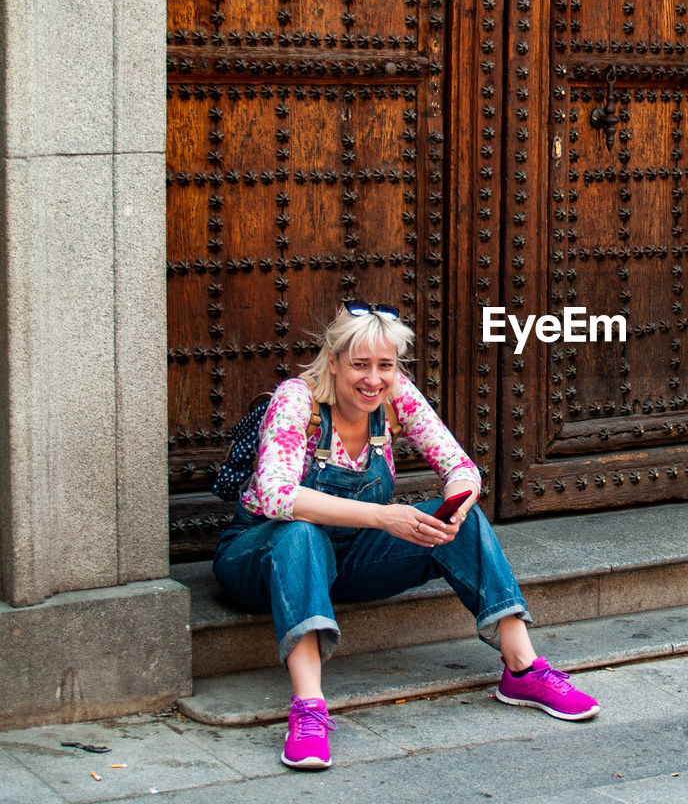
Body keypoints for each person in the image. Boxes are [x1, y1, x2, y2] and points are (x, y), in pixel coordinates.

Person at [213, 300, 599, 770]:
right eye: (359, 365)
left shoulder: (396, 396)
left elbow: (461, 467)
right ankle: (309, 707)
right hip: (260, 558)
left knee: (465, 520)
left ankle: (522, 668)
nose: (373, 379)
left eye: (385, 365)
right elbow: (276, 496)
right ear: (332, 362)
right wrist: (383, 518)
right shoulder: (298, 399)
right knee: (301, 533)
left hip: (348, 560)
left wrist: (456, 506)